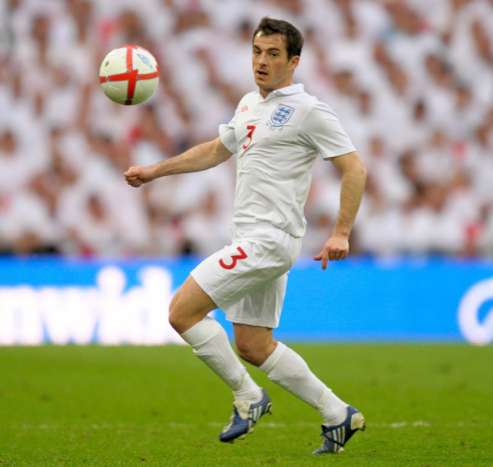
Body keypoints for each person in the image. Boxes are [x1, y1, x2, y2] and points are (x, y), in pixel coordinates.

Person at [124, 17, 367, 455]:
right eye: (257, 52)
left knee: (181, 313)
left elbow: (354, 168)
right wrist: (155, 170)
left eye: (273, 54)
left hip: (268, 240)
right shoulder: (249, 104)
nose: (261, 61)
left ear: (294, 61)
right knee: (254, 346)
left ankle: (248, 396)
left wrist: (342, 232)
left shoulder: (309, 110)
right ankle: (337, 413)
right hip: (254, 240)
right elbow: (216, 151)